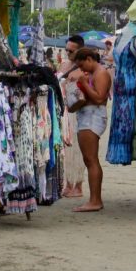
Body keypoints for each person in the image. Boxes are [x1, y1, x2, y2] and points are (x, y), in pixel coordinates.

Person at [72, 48, 112, 212]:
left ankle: (95, 200)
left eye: (82, 65)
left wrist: (83, 83)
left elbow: (99, 97)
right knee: (89, 160)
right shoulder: (95, 73)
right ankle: (95, 199)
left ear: (89, 59)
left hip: (92, 116)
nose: (81, 70)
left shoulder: (101, 73)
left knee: (91, 159)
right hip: (88, 116)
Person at [60, 35, 86, 198]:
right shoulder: (63, 65)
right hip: (64, 110)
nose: (68, 52)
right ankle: (68, 183)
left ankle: (78, 185)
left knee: (78, 149)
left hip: (78, 110)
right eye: (67, 49)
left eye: (72, 50)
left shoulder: (84, 68)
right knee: (66, 149)